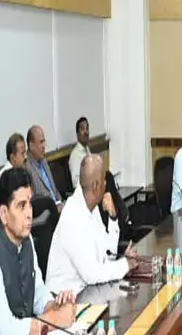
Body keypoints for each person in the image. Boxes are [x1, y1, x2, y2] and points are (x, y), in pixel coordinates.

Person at [0, 168, 76, 335]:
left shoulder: (27, 241)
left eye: (30, 204)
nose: (29, 214)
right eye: (21, 206)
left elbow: (37, 293)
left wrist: (54, 305)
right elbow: (8, 334)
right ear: (3, 214)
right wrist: (55, 319)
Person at [45, 154, 137, 294]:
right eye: (104, 180)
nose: (106, 184)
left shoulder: (91, 207)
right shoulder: (73, 217)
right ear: (95, 186)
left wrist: (112, 218)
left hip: (87, 292)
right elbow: (92, 275)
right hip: (64, 298)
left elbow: (107, 254)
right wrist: (124, 265)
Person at [25, 125, 62, 204]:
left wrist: (61, 203)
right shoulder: (26, 168)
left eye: (44, 142)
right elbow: (34, 202)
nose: (44, 146)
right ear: (31, 146)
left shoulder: (44, 161)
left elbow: (54, 190)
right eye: (41, 142)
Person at [69, 116, 90, 189]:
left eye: (87, 128)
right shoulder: (75, 154)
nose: (86, 132)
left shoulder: (87, 149)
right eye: (82, 129)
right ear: (77, 134)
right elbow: (75, 183)